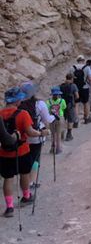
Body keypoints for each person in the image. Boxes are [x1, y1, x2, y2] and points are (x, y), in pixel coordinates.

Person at [0, 87, 48, 217]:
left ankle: (9, 207)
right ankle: (26, 196)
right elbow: (30, 132)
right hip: (22, 150)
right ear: (17, 101)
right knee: (24, 174)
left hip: (4, 152)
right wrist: (41, 133)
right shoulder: (22, 114)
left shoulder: (0, 114)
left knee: (8, 179)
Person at [18, 82, 54, 189]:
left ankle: (25, 181)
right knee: (35, 159)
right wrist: (53, 117)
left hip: (22, 136)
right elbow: (46, 119)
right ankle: (31, 181)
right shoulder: (40, 104)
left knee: (25, 159)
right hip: (36, 136)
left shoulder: (18, 105)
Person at [71, 55, 91, 125]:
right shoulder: (87, 68)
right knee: (86, 103)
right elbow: (90, 79)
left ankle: (76, 120)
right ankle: (86, 118)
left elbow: (70, 79)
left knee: (76, 104)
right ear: (83, 60)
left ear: (77, 60)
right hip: (85, 87)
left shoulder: (72, 68)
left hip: (75, 88)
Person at [46, 87, 66, 154]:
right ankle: (58, 148)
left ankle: (52, 148)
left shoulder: (48, 101)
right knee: (58, 134)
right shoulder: (62, 101)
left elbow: (47, 110)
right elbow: (64, 107)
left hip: (51, 118)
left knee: (53, 134)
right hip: (59, 117)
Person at [60, 73, 79, 141]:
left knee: (63, 119)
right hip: (70, 105)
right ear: (71, 78)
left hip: (62, 104)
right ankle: (69, 134)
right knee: (70, 120)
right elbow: (77, 96)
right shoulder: (73, 85)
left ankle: (61, 134)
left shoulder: (61, 85)